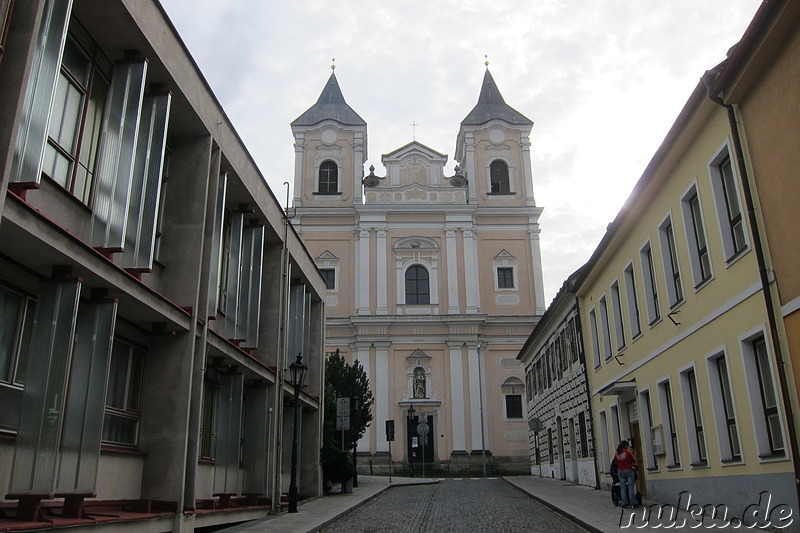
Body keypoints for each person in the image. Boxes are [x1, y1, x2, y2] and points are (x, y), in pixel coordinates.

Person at [614, 440, 638, 508]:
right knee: (630, 488)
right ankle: (633, 503)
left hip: (620, 471)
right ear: (625, 446)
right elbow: (633, 460)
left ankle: (624, 503)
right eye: (627, 446)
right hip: (628, 471)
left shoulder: (617, 453)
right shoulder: (627, 452)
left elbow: (616, 462)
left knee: (623, 488)